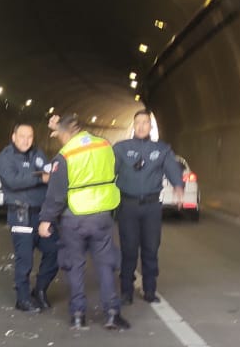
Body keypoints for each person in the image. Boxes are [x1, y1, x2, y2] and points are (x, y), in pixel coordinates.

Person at [38, 115, 126, 331]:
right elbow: (115, 170)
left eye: (59, 135)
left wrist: (45, 220)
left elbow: (57, 195)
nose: (58, 139)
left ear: (67, 133)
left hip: (74, 218)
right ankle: (112, 314)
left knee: (75, 266)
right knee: (105, 265)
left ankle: (78, 315)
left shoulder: (66, 155)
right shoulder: (105, 145)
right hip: (102, 216)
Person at [113, 109, 184, 305]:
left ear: (151, 127)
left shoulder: (162, 149)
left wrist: (178, 186)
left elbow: (172, 169)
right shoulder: (121, 148)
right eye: (138, 123)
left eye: (146, 123)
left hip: (151, 206)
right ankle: (126, 290)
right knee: (128, 249)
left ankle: (150, 289)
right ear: (134, 126)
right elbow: (109, 172)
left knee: (151, 249)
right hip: (128, 205)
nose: (142, 126)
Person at [0, 124, 58, 312]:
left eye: (30, 137)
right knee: (25, 260)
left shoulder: (37, 153)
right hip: (20, 214)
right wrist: (40, 178)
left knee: (55, 251)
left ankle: (39, 289)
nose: (26, 140)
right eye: (22, 136)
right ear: (13, 136)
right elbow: (13, 181)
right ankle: (22, 299)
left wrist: (50, 170)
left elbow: (47, 169)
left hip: (40, 214)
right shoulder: (5, 157)